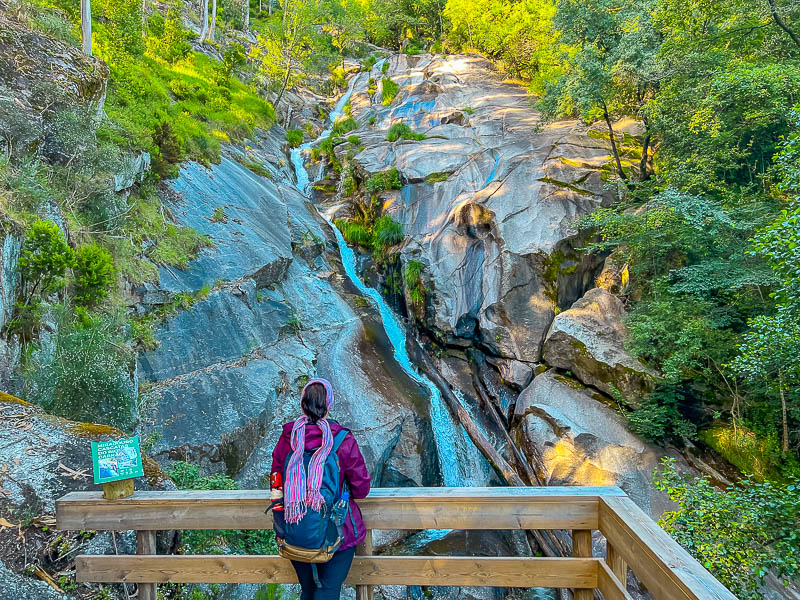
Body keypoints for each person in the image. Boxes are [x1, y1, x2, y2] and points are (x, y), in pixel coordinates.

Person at [270, 378, 371, 600]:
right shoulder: (342, 439)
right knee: (328, 590)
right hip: (338, 530)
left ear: (302, 405)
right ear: (329, 405)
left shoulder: (288, 438)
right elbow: (362, 489)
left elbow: (276, 480)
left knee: (308, 590)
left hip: (296, 529)